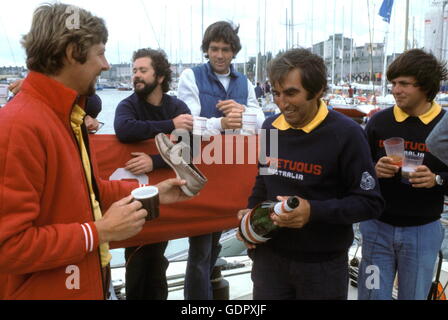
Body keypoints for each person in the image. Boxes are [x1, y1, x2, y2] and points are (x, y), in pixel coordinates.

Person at [0, 3, 190, 300]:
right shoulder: (19, 126)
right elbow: (7, 247)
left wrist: (152, 193)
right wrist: (99, 232)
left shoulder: (63, 116)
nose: (105, 64)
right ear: (71, 52)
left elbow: (83, 191)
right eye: (100, 52)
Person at [236, 48, 384, 300]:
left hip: (322, 267)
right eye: (277, 93)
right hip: (269, 262)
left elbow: (370, 203)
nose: (282, 103)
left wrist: (312, 212)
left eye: (291, 93)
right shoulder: (270, 126)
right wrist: (249, 219)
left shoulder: (347, 134)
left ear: (317, 91)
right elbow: (263, 181)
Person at [177, 20, 265, 299]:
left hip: (232, 174)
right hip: (202, 172)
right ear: (207, 50)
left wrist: (241, 113)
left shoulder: (245, 82)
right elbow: (188, 122)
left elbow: (260, 121)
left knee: (214, 248)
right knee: (200, 249)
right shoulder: (190, 77)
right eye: (214, 49)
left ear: (233, 52)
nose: (219, 55)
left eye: (225, 49)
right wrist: (222, 124)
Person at [358, 49, 448, 300]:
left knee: (414, 297)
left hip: (422, 232)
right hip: (377, 228)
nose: (396, 90)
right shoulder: (379, 122)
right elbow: (357, 171)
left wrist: (436, 179)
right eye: (394, 83)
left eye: (404, 84)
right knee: (371, 294)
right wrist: (373, 170)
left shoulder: (444, 126)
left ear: (425, 87)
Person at [114, 48, 192, 300]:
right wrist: (170, 125)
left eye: (142, 71)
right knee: (136, 261)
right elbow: (124, 129)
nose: (136, 75)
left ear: (159, 77)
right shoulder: (129, 105)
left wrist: (155, 161)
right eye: (134, 70)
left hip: (167, 197)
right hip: (134, 198)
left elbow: (191, 149)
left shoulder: (177, 106)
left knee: (157, 260)